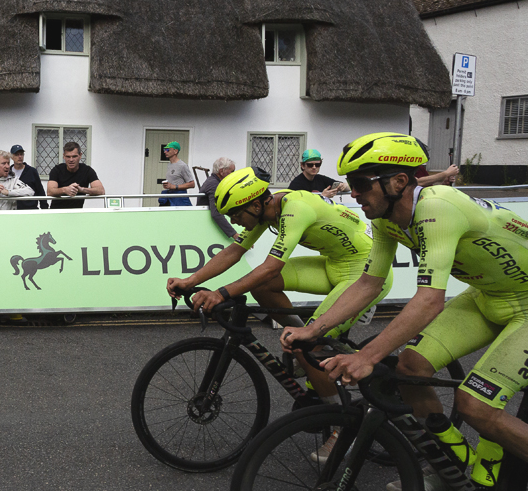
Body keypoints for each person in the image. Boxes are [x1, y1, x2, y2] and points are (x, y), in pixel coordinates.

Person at [282, 132, 528, 491]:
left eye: (360, 184)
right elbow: (368, 281)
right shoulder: (385, 220)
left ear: (397, 182)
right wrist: (314, 329)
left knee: (475, 403)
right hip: (489, 294)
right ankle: (448, 459)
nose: (352, 192)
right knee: (411, 368)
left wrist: (368, 354)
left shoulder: (437, 209)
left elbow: (429, 300)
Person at [167, 166, 392, 461]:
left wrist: (221, 293)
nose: (233, 220)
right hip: (335, 263)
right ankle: (307, 347)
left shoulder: (294, 209)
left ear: (256, 204)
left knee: (305, 343)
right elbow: (233, 251)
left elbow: (271, 265)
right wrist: (191, 281)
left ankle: (342, 429)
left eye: (235, 213)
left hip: (364, 273)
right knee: (268, 289)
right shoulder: (266, 209)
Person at [46, 142, 104, 209]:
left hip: (77, 212)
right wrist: (65, 190)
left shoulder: (87, 170)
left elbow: (101, 190)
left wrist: (82, 189)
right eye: (68, 157)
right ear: (64, 156)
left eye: (74, 156)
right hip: (57, 212)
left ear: (80, 155)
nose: (71, 160)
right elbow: (50, 192)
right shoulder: (57, 170)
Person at [197, 157, 237, 239]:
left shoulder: (215, 182)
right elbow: (216, 214)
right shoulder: (214, 185)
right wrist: (234, 234)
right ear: (221, 171)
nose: (234, 174)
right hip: (207, 227)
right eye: (232, 171)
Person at [9, 145, 47, 210]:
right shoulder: (8, 172)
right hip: (12, 209)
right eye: (17, 155)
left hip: (30, 208)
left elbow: (40, 190)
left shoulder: (32, 171)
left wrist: (44, 208)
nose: (20, 157)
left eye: (21, 154)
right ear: (12, 157)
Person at [158, 142, 195, 207]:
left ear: (175, 151)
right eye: (164, 150)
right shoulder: (169, 165)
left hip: (179, 197)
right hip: (170, 196)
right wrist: (168, 185)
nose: (165, 152)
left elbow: (192, 184)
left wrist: (174, 186)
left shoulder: (182, 166)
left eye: (167, 150)